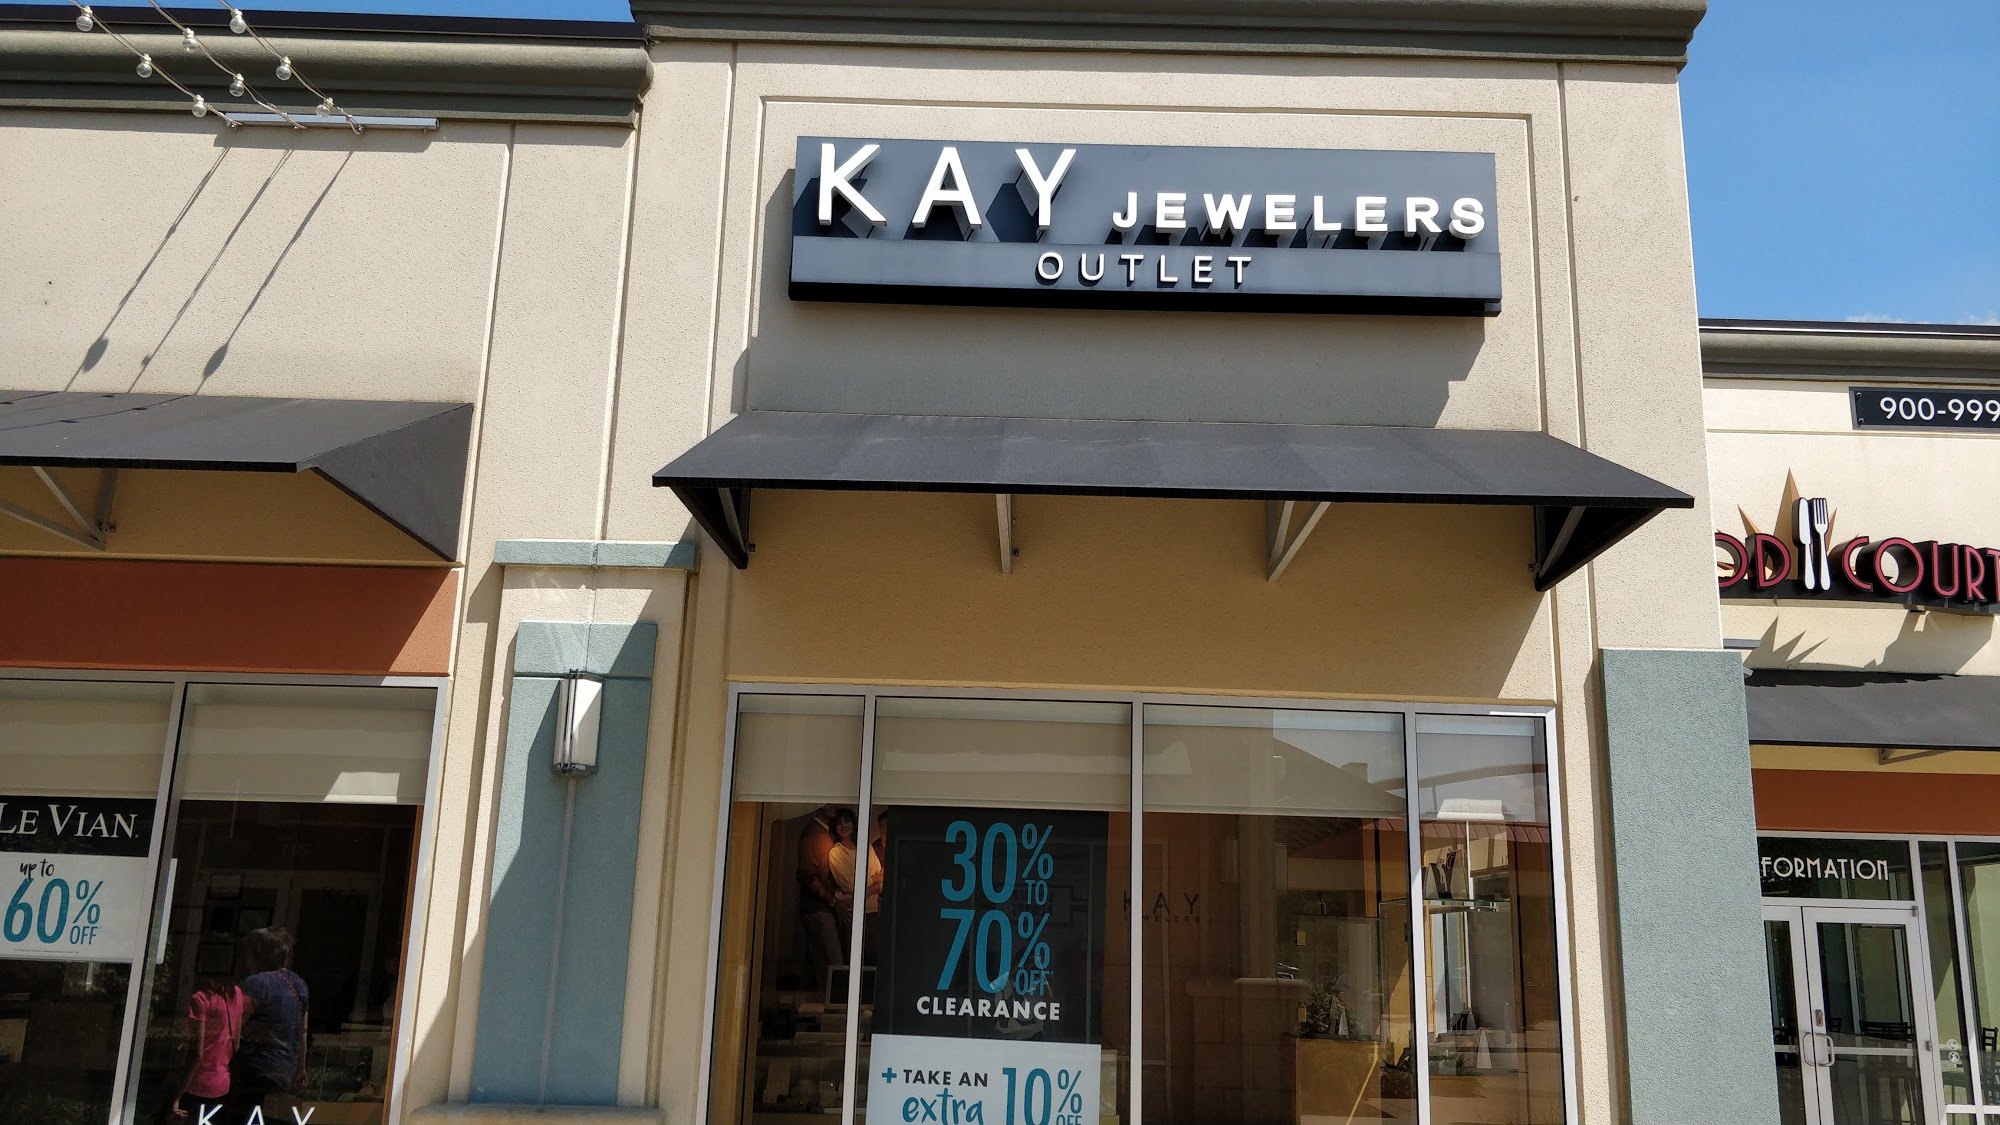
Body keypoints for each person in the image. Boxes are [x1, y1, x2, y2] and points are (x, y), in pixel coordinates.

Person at [226, 927, 310, 1121]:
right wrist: (301, 1067)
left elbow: (234, 1026)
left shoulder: (255, 984)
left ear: (256, 955)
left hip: (254, 1069)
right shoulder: (298, 984)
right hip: (284, 1070)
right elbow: (303, 1031)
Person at [170, 973, 245, 1121]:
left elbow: (197, 1053)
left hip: (196, 1083)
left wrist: (177, 1096)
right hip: (222, 1084)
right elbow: (235, 1045)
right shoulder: (237, 994)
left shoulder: (201, 999)